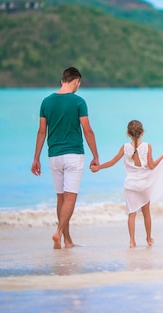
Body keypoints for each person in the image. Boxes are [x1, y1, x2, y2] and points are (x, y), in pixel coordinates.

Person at [31, 67, 99, 249]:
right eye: (79, 84)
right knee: (70, 198)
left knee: (60, 198)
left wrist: (36, 158)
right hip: (73, 155)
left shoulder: (46, 102)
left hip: (53, 156)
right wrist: (95, 155)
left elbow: (41, 132)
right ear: (76, 81)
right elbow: (87, 130)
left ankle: (67, 241)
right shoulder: (79, 102)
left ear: (63, 80)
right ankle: (59, 233)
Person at [91, 120, 163, 248]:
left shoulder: (125, 147)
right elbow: (152, 166)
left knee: (132, 213)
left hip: (130, 184)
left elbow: (113, 162)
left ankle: (132, 241)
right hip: (144, 184)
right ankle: (148, 238)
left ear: (128, 134)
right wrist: (162, 156)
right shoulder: (147, 146)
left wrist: (99, 167)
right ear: (142, 132)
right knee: (146, 211)